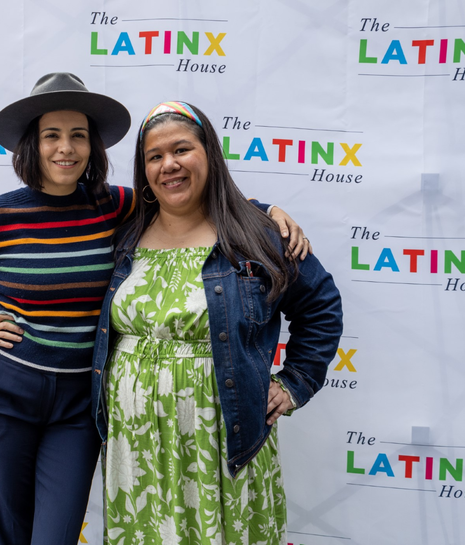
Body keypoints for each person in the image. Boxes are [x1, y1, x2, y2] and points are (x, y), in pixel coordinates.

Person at [0, 73, 310, 545]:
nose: (65, 148)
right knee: (9, 534)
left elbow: (190, 198)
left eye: (78, 135)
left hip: (78, 401)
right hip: (6, 390)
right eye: (52, 135)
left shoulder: (114, 205)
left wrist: (265, 212)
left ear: (93, 147)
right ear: (33, 144)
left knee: (55, 536)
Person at [90, 101, 343, 544]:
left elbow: (320, 306)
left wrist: (295, 382)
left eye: (182, 149)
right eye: (154, 156)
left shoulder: (256, 233)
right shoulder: (126, 234)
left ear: (209, 154)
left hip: (221, 439)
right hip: (136, 444)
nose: (169, 164)